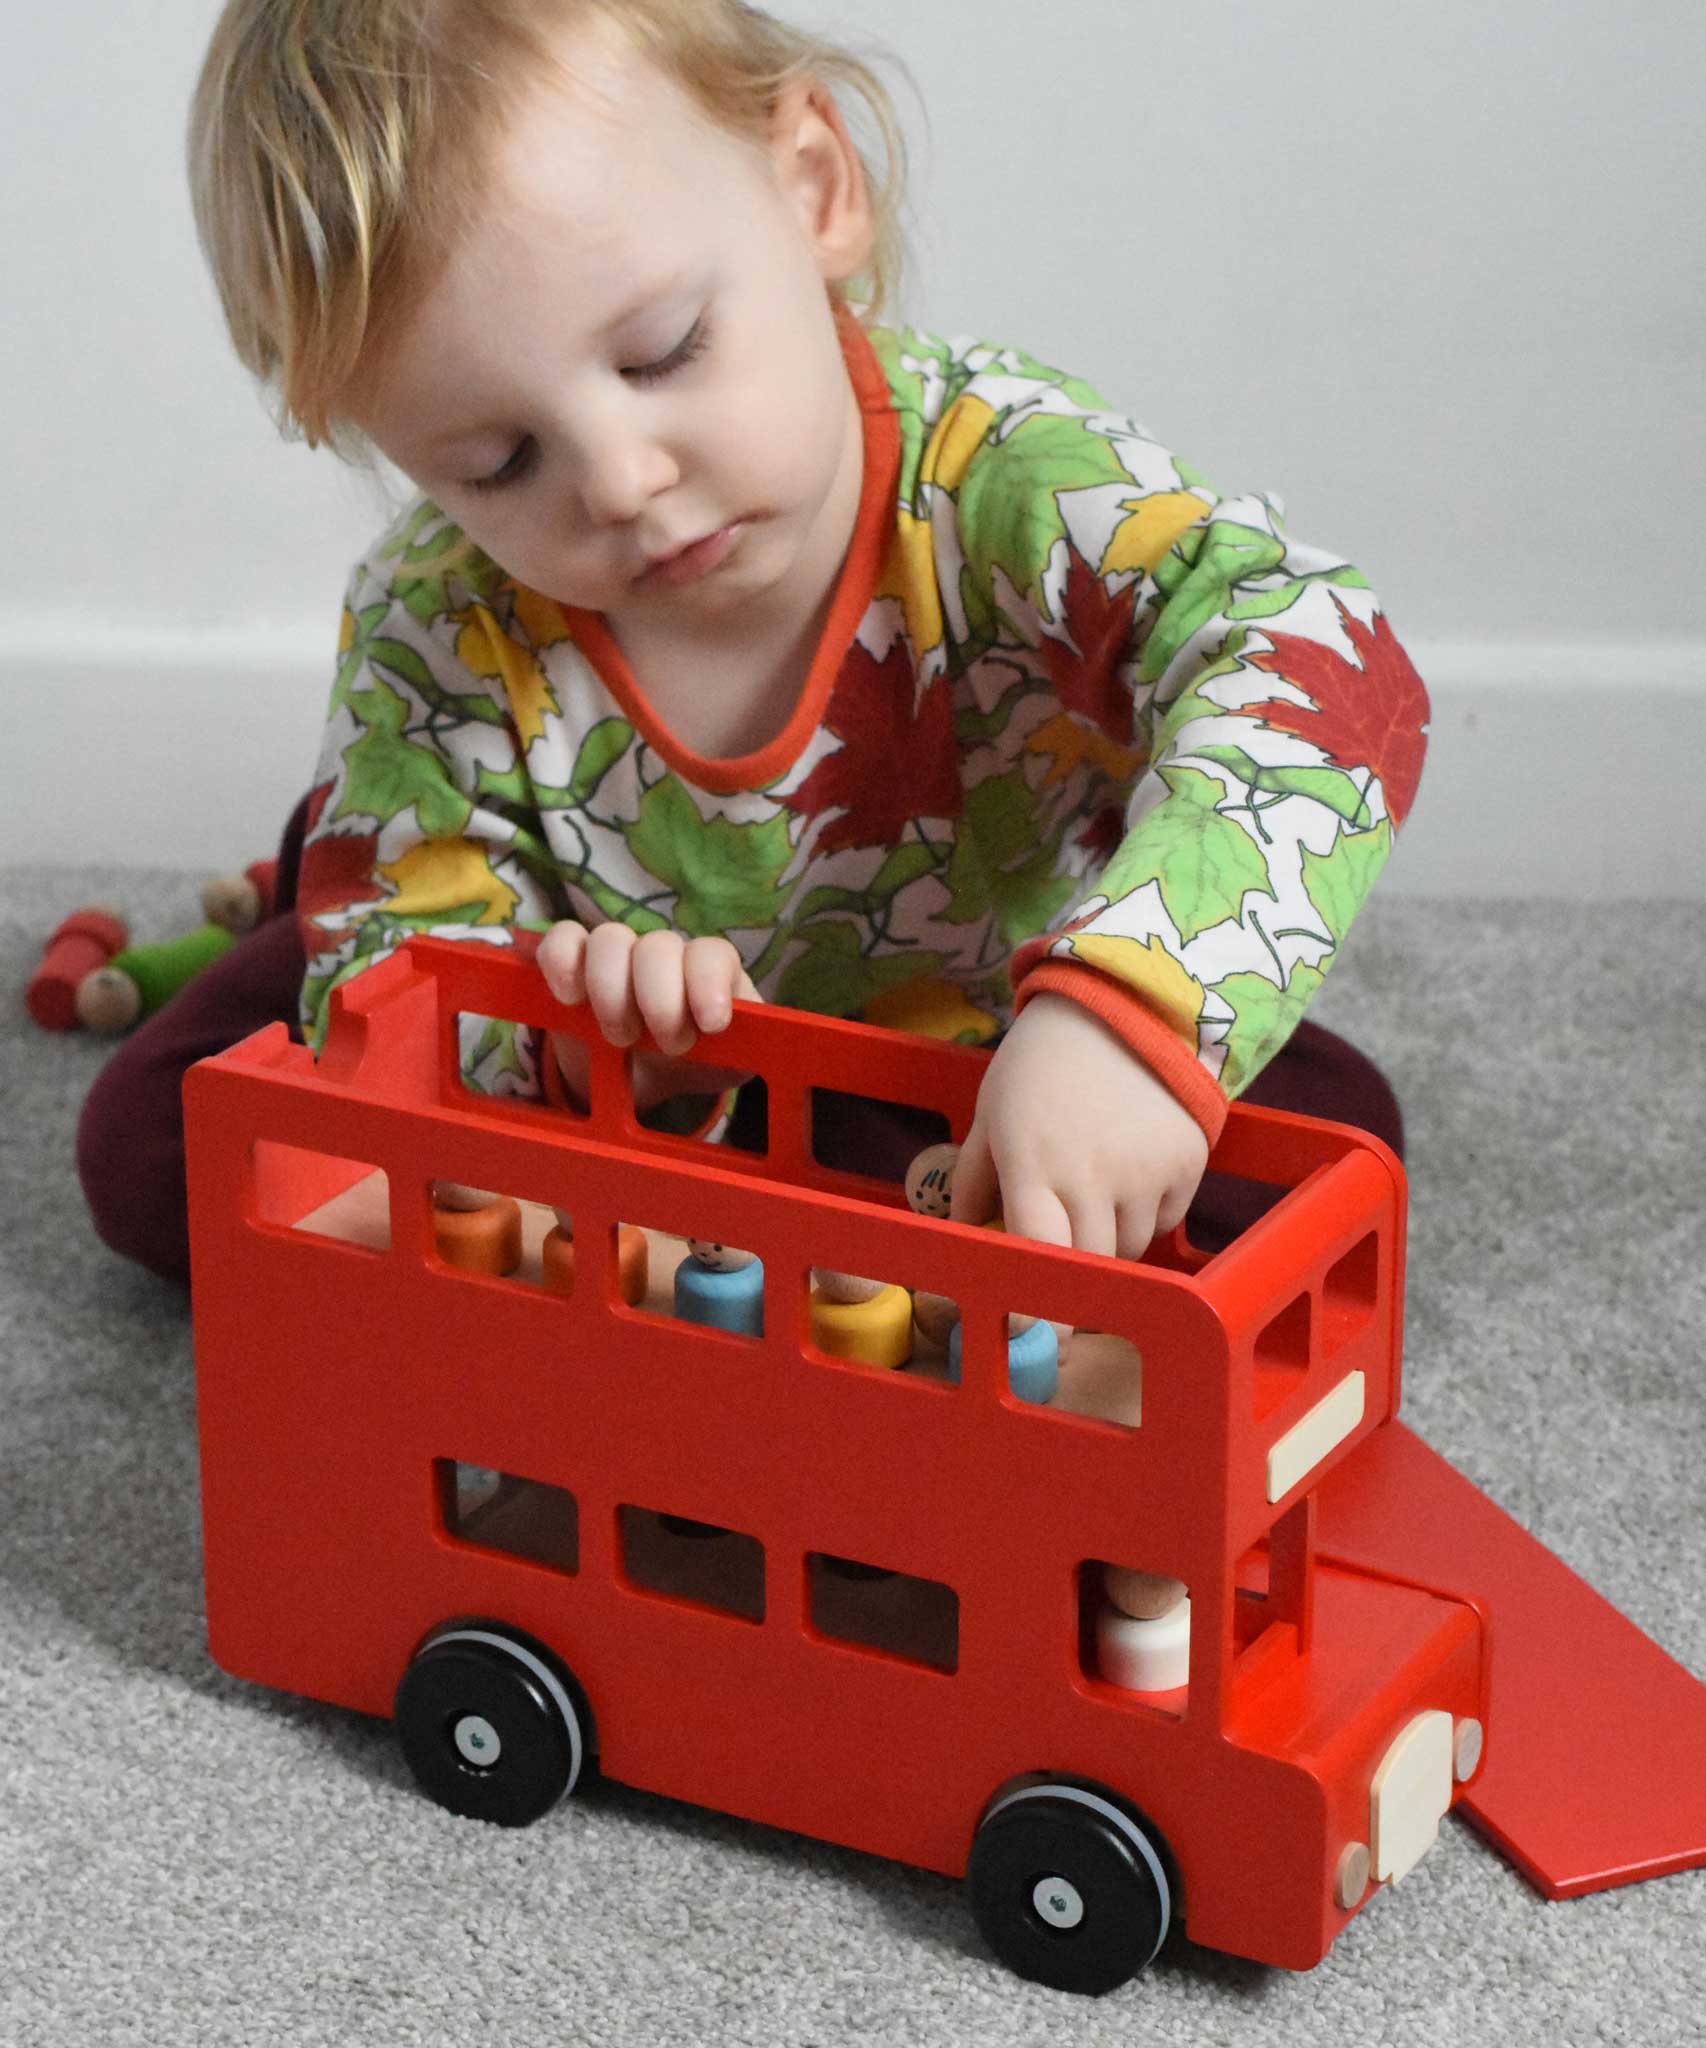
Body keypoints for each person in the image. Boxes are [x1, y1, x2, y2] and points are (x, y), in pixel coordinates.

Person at [79, 0, 1419, 1286]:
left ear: (812, 185)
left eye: (662, 352)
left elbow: (1318, 656)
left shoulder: (1012, 478)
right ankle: (323, 857)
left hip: (958, 1020)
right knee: (163, 1144)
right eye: (497, 462)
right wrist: (614, 1071)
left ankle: (1006, 1081)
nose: (615, 480)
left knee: (1319, 1152)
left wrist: (1125, 1023)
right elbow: (420, 1020)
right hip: (597, 994)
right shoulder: (435, 620)